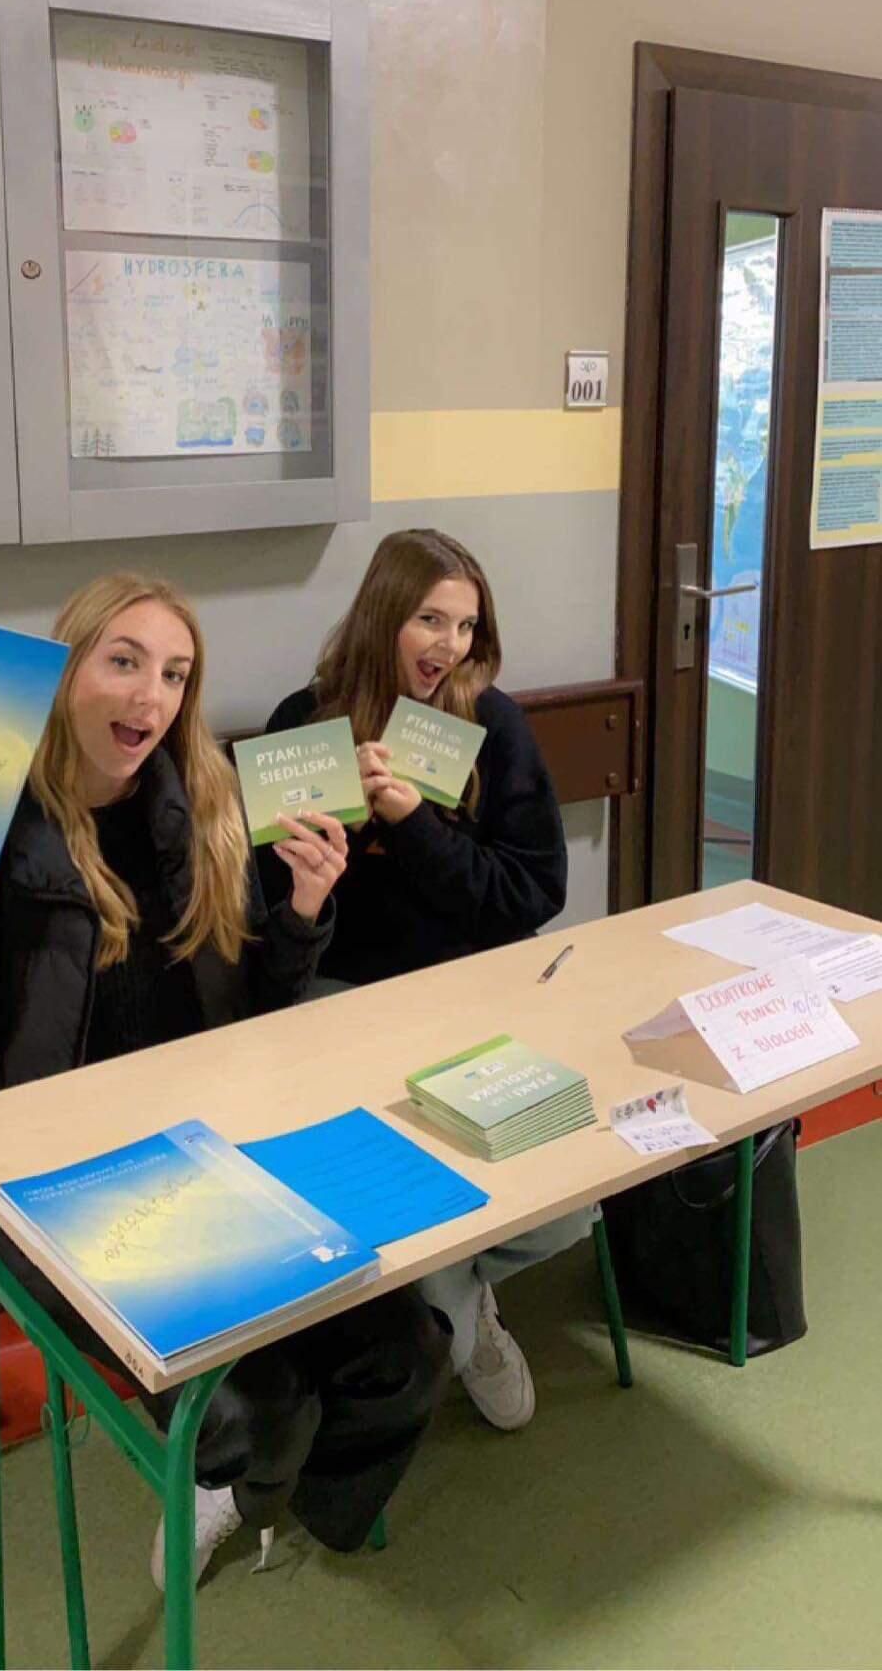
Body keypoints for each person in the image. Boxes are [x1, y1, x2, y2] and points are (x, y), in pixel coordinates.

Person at [0, 572, 450, 1584]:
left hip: (219, 1145)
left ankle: (276, 1496)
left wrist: (303, 912)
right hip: (71, 1181)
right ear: (64, 673)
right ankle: (239, 1475)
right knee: (260, 1404)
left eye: (175, 675)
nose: (151, 697)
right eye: (125, 662)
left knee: (408, 1351)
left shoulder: (207, 804)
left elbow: (257, 1020)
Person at [267, 528, 593, 1434]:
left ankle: (452, 1294)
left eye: (465, 625)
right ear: (384, 617)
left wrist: (415, 827)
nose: (449, 644)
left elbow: (533, 893)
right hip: (341, 1001)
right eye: (429, 619)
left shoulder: (491, 725)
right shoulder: (306, 724)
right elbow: (262, 915)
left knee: (574, 1208)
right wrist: (325, 854)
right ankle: (457, 1316)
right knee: (405, 1182)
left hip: (470, 994)